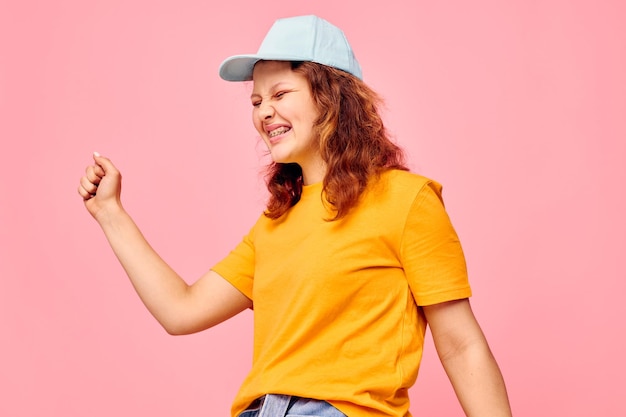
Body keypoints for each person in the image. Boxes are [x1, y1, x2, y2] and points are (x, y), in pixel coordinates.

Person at [78, 14, 512, 417]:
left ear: (333, 97)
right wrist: (110, 213)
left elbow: (461, 345)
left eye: (281, 93)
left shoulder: (407, 200)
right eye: (255, 100)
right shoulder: (275, 222)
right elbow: (181, 310)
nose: (264, 111)